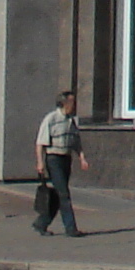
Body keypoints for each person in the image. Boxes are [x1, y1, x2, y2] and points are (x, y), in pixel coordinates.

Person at [33, 89, 87, 237]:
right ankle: (71, 229)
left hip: (66, 157)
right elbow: (40, 143)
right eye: (71, 102)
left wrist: (82, 157)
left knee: (59, 194)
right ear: (63, 103)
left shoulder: (71, 120)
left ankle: (41, 223)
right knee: (64, 194)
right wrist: (40, 163)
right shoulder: (51, 119)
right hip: (53, 158)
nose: (74, 105)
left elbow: (76, 141)